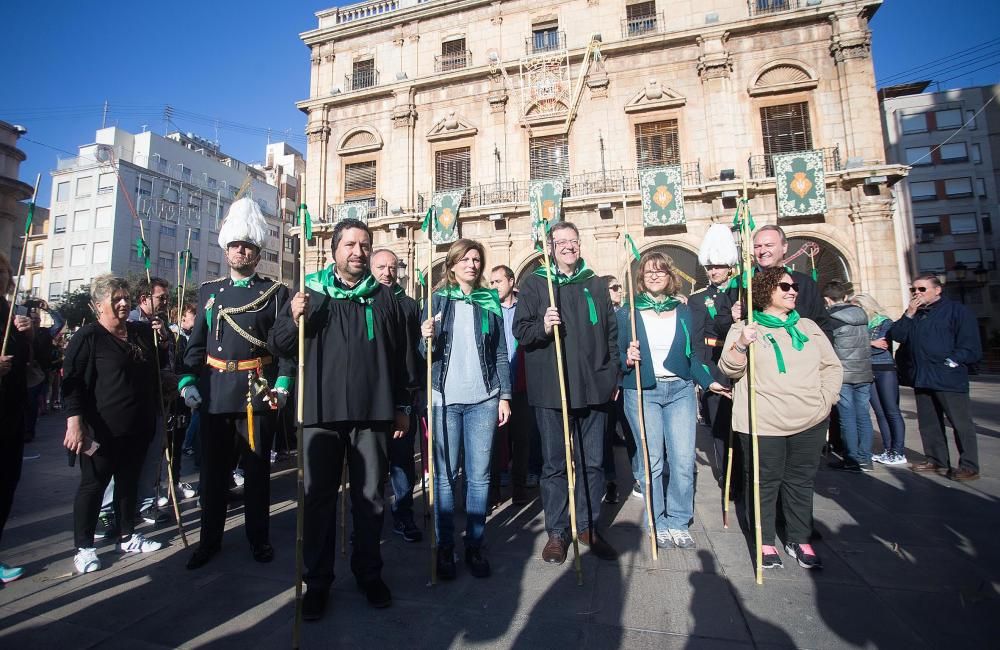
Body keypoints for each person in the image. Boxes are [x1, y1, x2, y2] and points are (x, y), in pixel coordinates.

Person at [269, 218, 413, 619]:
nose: (358, 252)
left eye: (365, 245)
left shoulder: (384, 298)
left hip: (374, 413)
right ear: (334, 248)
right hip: (320, 412)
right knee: (318, 502)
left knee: (370, 499)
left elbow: (403, 358)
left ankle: (369, 573)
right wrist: (292, 317)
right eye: (350, 244)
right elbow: (280, 345)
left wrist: (403, 405)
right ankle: (317, 582)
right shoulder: (310, 293)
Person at [179, 197, 294, 570]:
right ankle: (209, 540)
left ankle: (258, 538)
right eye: (234, 245)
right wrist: (186, 380)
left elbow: (284, 347)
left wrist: (283, 381)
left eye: (246, 245)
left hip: (254, 393)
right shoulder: (209, 292)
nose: (240, 250)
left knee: (258, 472)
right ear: (226, 249)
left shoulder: (275, 294)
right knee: (213, 474)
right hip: (214, 392)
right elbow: (196, 343)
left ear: (257, 252)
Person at [719, 267, 842, 570]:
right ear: (765, 292)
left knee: (800, 481)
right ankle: (765, 539)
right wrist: (741, 344)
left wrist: (825, 401)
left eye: (794, 286)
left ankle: (799, 537)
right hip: (764, 422)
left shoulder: (809, 326)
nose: (792, 291)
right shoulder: (745, 327)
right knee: (764, 482)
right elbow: (729, 369)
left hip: (810, 419)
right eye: (784, 286)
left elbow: (832, 367)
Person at [513, 221, 619, 565]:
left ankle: (587, 526)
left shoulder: (595, 283)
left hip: (593, 388)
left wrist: (613, 374)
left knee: (592, 463)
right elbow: (521, 331)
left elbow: (612, 332)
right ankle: (557, 532)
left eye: (574, 240)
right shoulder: (535, 283)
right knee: (555, 465)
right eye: (562, 242)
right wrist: (543, 326)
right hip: (552, 389)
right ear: (550, 247)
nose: (569, 247)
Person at [619, 252, 730, 549]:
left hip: (679, 390)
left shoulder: (684, 312)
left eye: (661, 271)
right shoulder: (628, 312)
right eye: (649, 271)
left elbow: (693, 355)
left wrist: (710, 381)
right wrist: (626, 358)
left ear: (670, 276)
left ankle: (679, 519)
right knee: (652, 462)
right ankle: (656, 519)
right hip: (643, 391)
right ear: (641, 277)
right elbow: (614, 355)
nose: (655, 275)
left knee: (682, 460)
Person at [420, 239, 510, 579]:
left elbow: (501, 352)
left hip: (484, 398)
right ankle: (445, 547)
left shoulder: (489, 301)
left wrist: (505, 396)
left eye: (476, 259)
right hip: (444, 398)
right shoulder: (435, 301)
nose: (472, 264)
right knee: (444, 477)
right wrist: (424, 335)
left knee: (479, 476)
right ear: (452, 265)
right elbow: (422, 354)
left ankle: (475, 543)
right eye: (465, 259)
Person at [63, 275, 164, 574]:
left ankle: (127, 535)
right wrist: (75, 424)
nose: (123, 303)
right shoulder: (88, 337)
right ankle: (84, 547)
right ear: (97, 306)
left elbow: (155, 370)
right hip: (101, 430)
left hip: (137, 427)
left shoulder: (141, 333)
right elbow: (73, 385)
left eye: (125, 297)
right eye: (115, 299)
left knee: (128, 484)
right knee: (93, 486)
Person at [892, 274, 983, 481]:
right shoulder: (915, 314)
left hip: (948, 377)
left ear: (937, 290)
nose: (916, 293)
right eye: (913, 290)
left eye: (922, 289)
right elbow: (897, 335)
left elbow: (970, 344)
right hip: (923, 376)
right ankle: (936, 459)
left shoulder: (957, 311)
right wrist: (909, 313)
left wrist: (952, 361)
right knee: (928, 422)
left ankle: (969, 465)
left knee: (960, 423)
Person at [370, 248, 423, 543]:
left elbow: (414, 353)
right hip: (370, 395)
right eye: (381, 267)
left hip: (403, 394)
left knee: (402, 462)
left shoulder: (410, 306)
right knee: (370, 463)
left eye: (392, 267)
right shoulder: (362, 300)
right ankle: (367, 521)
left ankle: (403, 515)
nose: (387, 273)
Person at [689, 223, 737, 484]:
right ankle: (727, 477)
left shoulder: (741, 291)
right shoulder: (698, 300)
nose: (714, 271)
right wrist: (705, 375)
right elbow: (697, 343)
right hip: (714, 364)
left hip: (744, 366)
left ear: (730, 266)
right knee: (719, 427)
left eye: (719, 266)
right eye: (710, 267)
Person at [489, 264, 540, 505]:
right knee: (497, 441)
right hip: (497, 385)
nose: (493, 286)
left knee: (522, 439)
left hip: (522, 382)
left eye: (497, 281)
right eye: (491, 282)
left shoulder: (526, 308)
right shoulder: (489, 309)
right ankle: (496, 487)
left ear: (511, 282)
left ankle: (519, 486)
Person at [727, 225, 831, 336]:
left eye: (769, 245)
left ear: (784, 247)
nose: (762, 251)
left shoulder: (805, 283)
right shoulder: (741, 283)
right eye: (757, 246)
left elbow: (822, 326)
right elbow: (721, 330)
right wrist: (732, 318)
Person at [0, 254, 32, 583]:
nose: (1, 277)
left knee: (7, 485)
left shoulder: (10, 315)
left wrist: (28, 336)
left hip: (10, 414)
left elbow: (37, 364)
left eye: (4, 272)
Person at [823, 281, 874, 472]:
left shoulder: (831, 317)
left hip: (843, 371)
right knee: (863, 415)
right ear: (844, 297)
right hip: (864, 370)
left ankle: (851, 458)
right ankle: (865, 458)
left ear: (827, 299)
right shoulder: (862, 314)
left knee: (847, 417)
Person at [852, 293, 907, 465]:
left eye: (857, 308)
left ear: (866, 306)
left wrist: (864, 343)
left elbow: (881, 345)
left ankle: (898, 452)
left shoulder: (884, 322)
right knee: (879, 412)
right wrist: (869, 343)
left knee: (891, 410)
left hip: (885, 369)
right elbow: (855, 343)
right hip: (868, 369)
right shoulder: (860, 325)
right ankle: (887, 449)